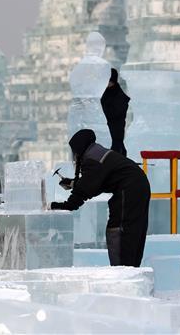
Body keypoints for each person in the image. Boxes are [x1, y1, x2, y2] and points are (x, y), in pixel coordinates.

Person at [50, 129, 151, 267]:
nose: (73, 156)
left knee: (119, 228)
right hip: (138, 186)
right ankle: (131, 268)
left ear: (78, 148)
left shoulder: (93, 159)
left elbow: (86, 188)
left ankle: (124, 271)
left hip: (130, 189)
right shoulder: (97, 153)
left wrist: (58, 205)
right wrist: (74, 183)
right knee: (133, 229)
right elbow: (96, 182)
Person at [100, 68, 130, 156]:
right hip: (108, 129)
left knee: (116, 151)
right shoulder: (106, 92)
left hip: (115, 130)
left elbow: (115, 113)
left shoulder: (119, 96)